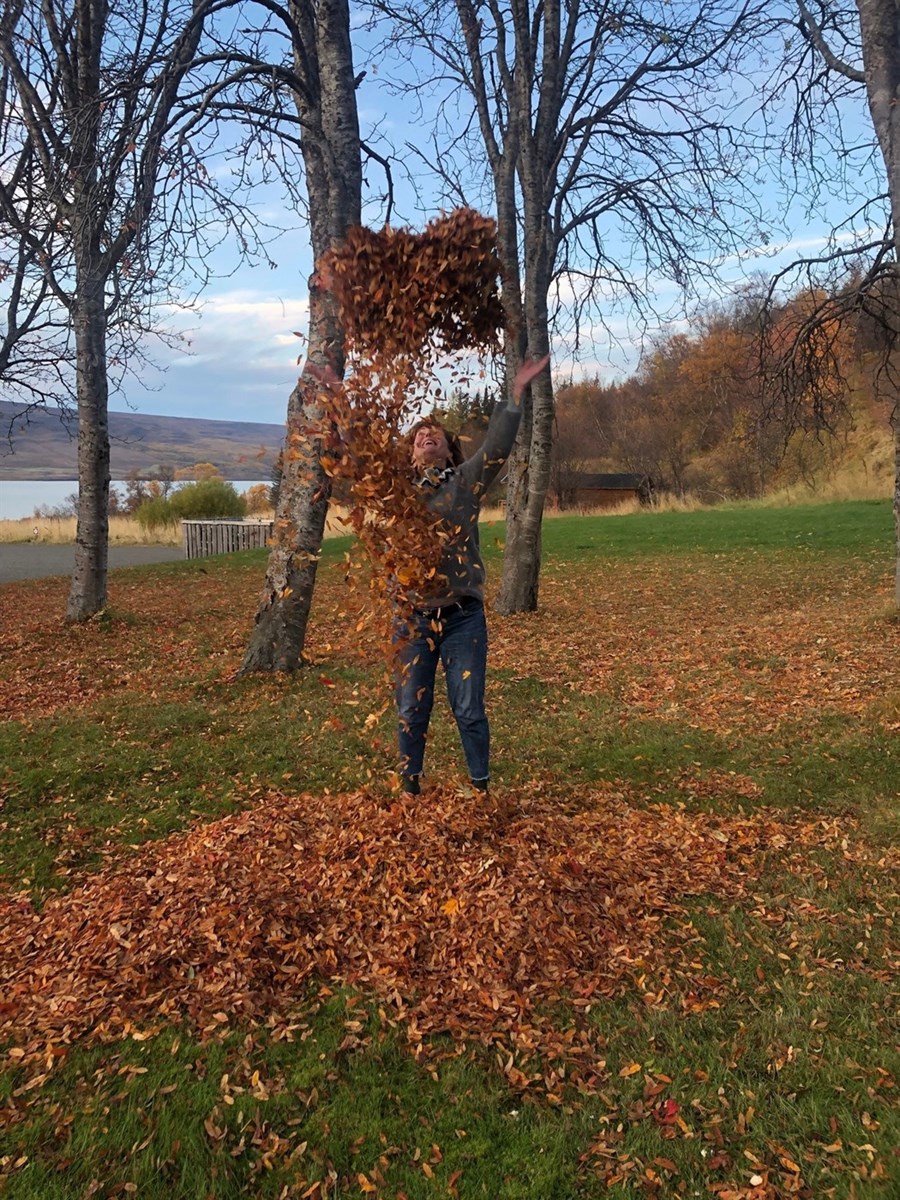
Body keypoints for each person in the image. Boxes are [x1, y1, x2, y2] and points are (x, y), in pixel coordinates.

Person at [395, 354, 549, 800]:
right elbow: (353, 458)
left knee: (469, 709)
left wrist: (514, 397)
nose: (427, 435)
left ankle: (480, 790)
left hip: (462, 616)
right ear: (410, 452)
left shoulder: (465, 482)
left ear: (448, 448)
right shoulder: (395, 493)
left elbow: (497, 448)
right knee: (411, 707)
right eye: (418, 434)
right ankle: (409, 792)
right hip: (410, 616)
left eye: (435, 433)